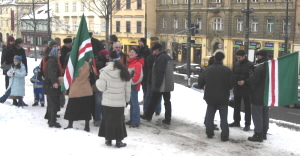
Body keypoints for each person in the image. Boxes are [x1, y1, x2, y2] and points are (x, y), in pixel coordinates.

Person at [95, 50, 131, 148]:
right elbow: (127, 88)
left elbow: (101, 88)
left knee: (108, 121)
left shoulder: (104, 71)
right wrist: (127, 100)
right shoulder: (124, 71)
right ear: (119, 59)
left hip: (107, 102)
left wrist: (98, 81)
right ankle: (119, 141)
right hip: (119, 102)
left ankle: (108, 139)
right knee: (119, 122)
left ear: (109, 59)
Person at [198, 52, 235, 142]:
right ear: (223, 59)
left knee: (210, 115)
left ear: (214, 58)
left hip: (210, 96)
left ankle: (209, 133)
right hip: (223, 97)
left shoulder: (208, 69)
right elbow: (232, 84)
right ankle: (224, 135)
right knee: (223, 117)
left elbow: (200, 83)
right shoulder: (227, 70)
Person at [140, 43, 174, 125]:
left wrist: (157, 84)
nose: (153, 52)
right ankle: (167, 118)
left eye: (153, 50)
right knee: (167, 101)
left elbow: (160, 72)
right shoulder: (167, 57)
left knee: (153, 100)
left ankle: (148, 116)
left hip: (161, 84)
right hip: (167, 84)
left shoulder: (160, 58)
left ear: (157, 50)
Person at [64, 60, 94, 132]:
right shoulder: (88, 65)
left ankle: (70, 124)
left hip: (75, 88)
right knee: (86, 109)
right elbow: (93, 77)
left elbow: (68, 76)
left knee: (72, 108)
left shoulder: (73, 65)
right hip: (86, 88)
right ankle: (87, 126)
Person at [248, 50, 269, 142]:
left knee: (257, 115)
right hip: (266, 94)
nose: (257, 58)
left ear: (261, 56)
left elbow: (254, 80)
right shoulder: (269, 66)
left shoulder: (259, 67)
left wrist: (251, 72)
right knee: (265, 114)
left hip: (258, 94)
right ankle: (264, 133)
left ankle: (258, 134)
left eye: (258, 56)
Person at [229, 50, 254, 131]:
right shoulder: (236, 64)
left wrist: (245, 81)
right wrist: (234, 82)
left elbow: (252, 77)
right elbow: (233, 74)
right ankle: (236, 121)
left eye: (239, 57)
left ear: (244, 56)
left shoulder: (250, 65)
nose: (238, 59)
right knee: (236, 106)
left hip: (246, 88)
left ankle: (247, 124)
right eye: (237, 57)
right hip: (237, 88)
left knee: (247, 107)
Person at [43, 48, 62, 128]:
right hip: (51, 86)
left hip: (49, 85)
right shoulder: (52, 61)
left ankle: (51, 119)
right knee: (53, 103)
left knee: (51, 103)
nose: (60, 55)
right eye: (59, 53)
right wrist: (55, 82)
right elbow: (51, 72)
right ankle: (52, 121)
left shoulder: (51, 60)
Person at [126, 47, 144, 128]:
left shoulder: (137, 63)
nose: (131, 53)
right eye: (130, 52)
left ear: (136, 54)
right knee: (132, 104)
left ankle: (136, 121)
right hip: (130, 86)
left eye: (133, 52)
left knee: (134, 103)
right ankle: (132, 119)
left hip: (133, 86)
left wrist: (130, 82)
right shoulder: (131, 63)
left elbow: (138, 76)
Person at [7, 38, 28, 106]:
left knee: (21, 86)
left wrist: (26, 70)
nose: (23, 44)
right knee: (14, 86)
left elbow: (24, 60)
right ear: (18, 44)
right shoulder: (12, 49)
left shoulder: (22, 50)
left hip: (21, 69)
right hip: (14, 69)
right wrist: (14, 58)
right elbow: (6, 58)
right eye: (22, 43)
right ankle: (14, 100)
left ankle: (20, 100)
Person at [143, 50, 162, 116]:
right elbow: (149, 63)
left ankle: (157, 110)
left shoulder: (160, 57)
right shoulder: (150, 58)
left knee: (158, 96)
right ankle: (146, 110)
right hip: (150, 79)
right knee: (149, 95)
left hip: (157, 79)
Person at [93, 49, 110, 126]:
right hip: (101, 84)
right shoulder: (103, 62)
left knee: (98, 103)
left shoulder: (96, 60)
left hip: (97, 84)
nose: (108, 56)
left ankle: (97, 119)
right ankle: (99, 119)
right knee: (100, 103)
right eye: (106, 55)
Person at [138, 38, 151, 105]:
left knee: (145, 87)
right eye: (138, 41)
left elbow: (148, 61)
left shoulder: (147, 51)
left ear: (143, 42)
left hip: (145, 70)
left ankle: (146, 100)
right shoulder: (138, 50)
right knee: (143, 87)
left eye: (140, 41)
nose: (139, 42)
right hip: (140, 70)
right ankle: (145, 99)